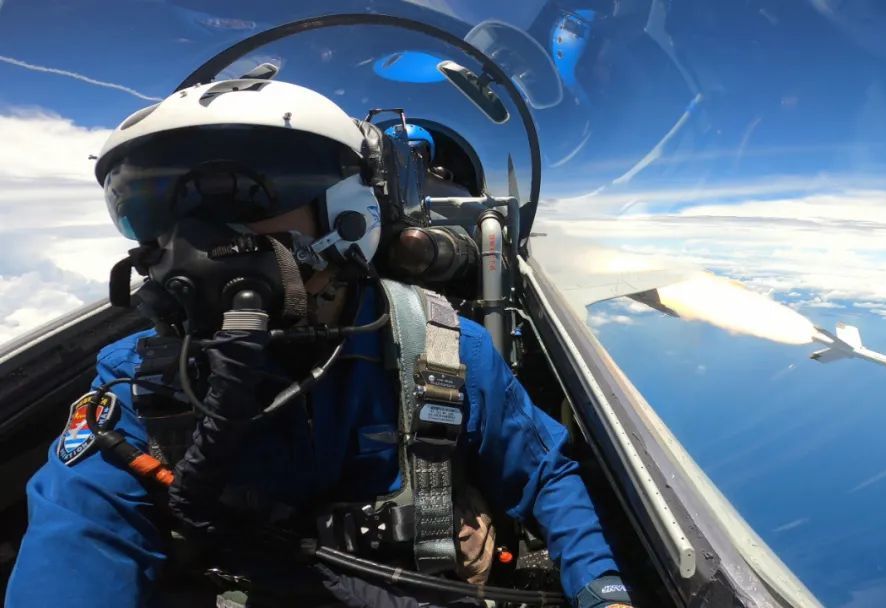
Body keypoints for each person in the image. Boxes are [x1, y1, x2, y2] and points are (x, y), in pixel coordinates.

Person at [5, 78, 634, 608]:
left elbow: (545, 473)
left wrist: (603, 591)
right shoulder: (143, 381)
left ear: (350, 213)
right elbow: (80, 541)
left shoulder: (441, 348)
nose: (192, 241)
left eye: (244, 196)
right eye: (158, 209)